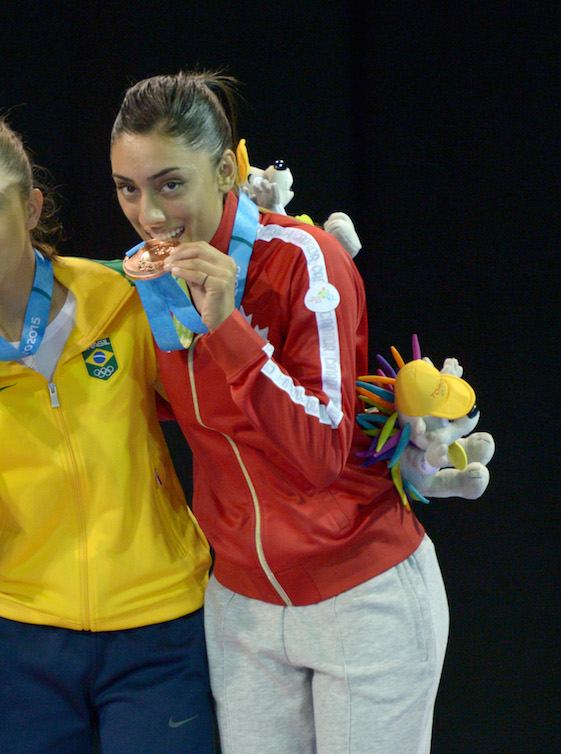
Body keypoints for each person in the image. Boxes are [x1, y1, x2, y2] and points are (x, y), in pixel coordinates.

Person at [108, 72, 447, 753]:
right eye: (128, 188)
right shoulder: (148, 275)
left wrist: (227, 327)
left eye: (169, 185)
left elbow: (320, 452)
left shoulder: (302, 259)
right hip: (243, 608)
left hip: (361, 591)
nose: (148, 215)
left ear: (225, 171)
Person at [0, 111, 214, 753]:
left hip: (159, 626)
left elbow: (219, 410)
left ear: (31, 207)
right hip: (23, 642)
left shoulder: (124, 295)